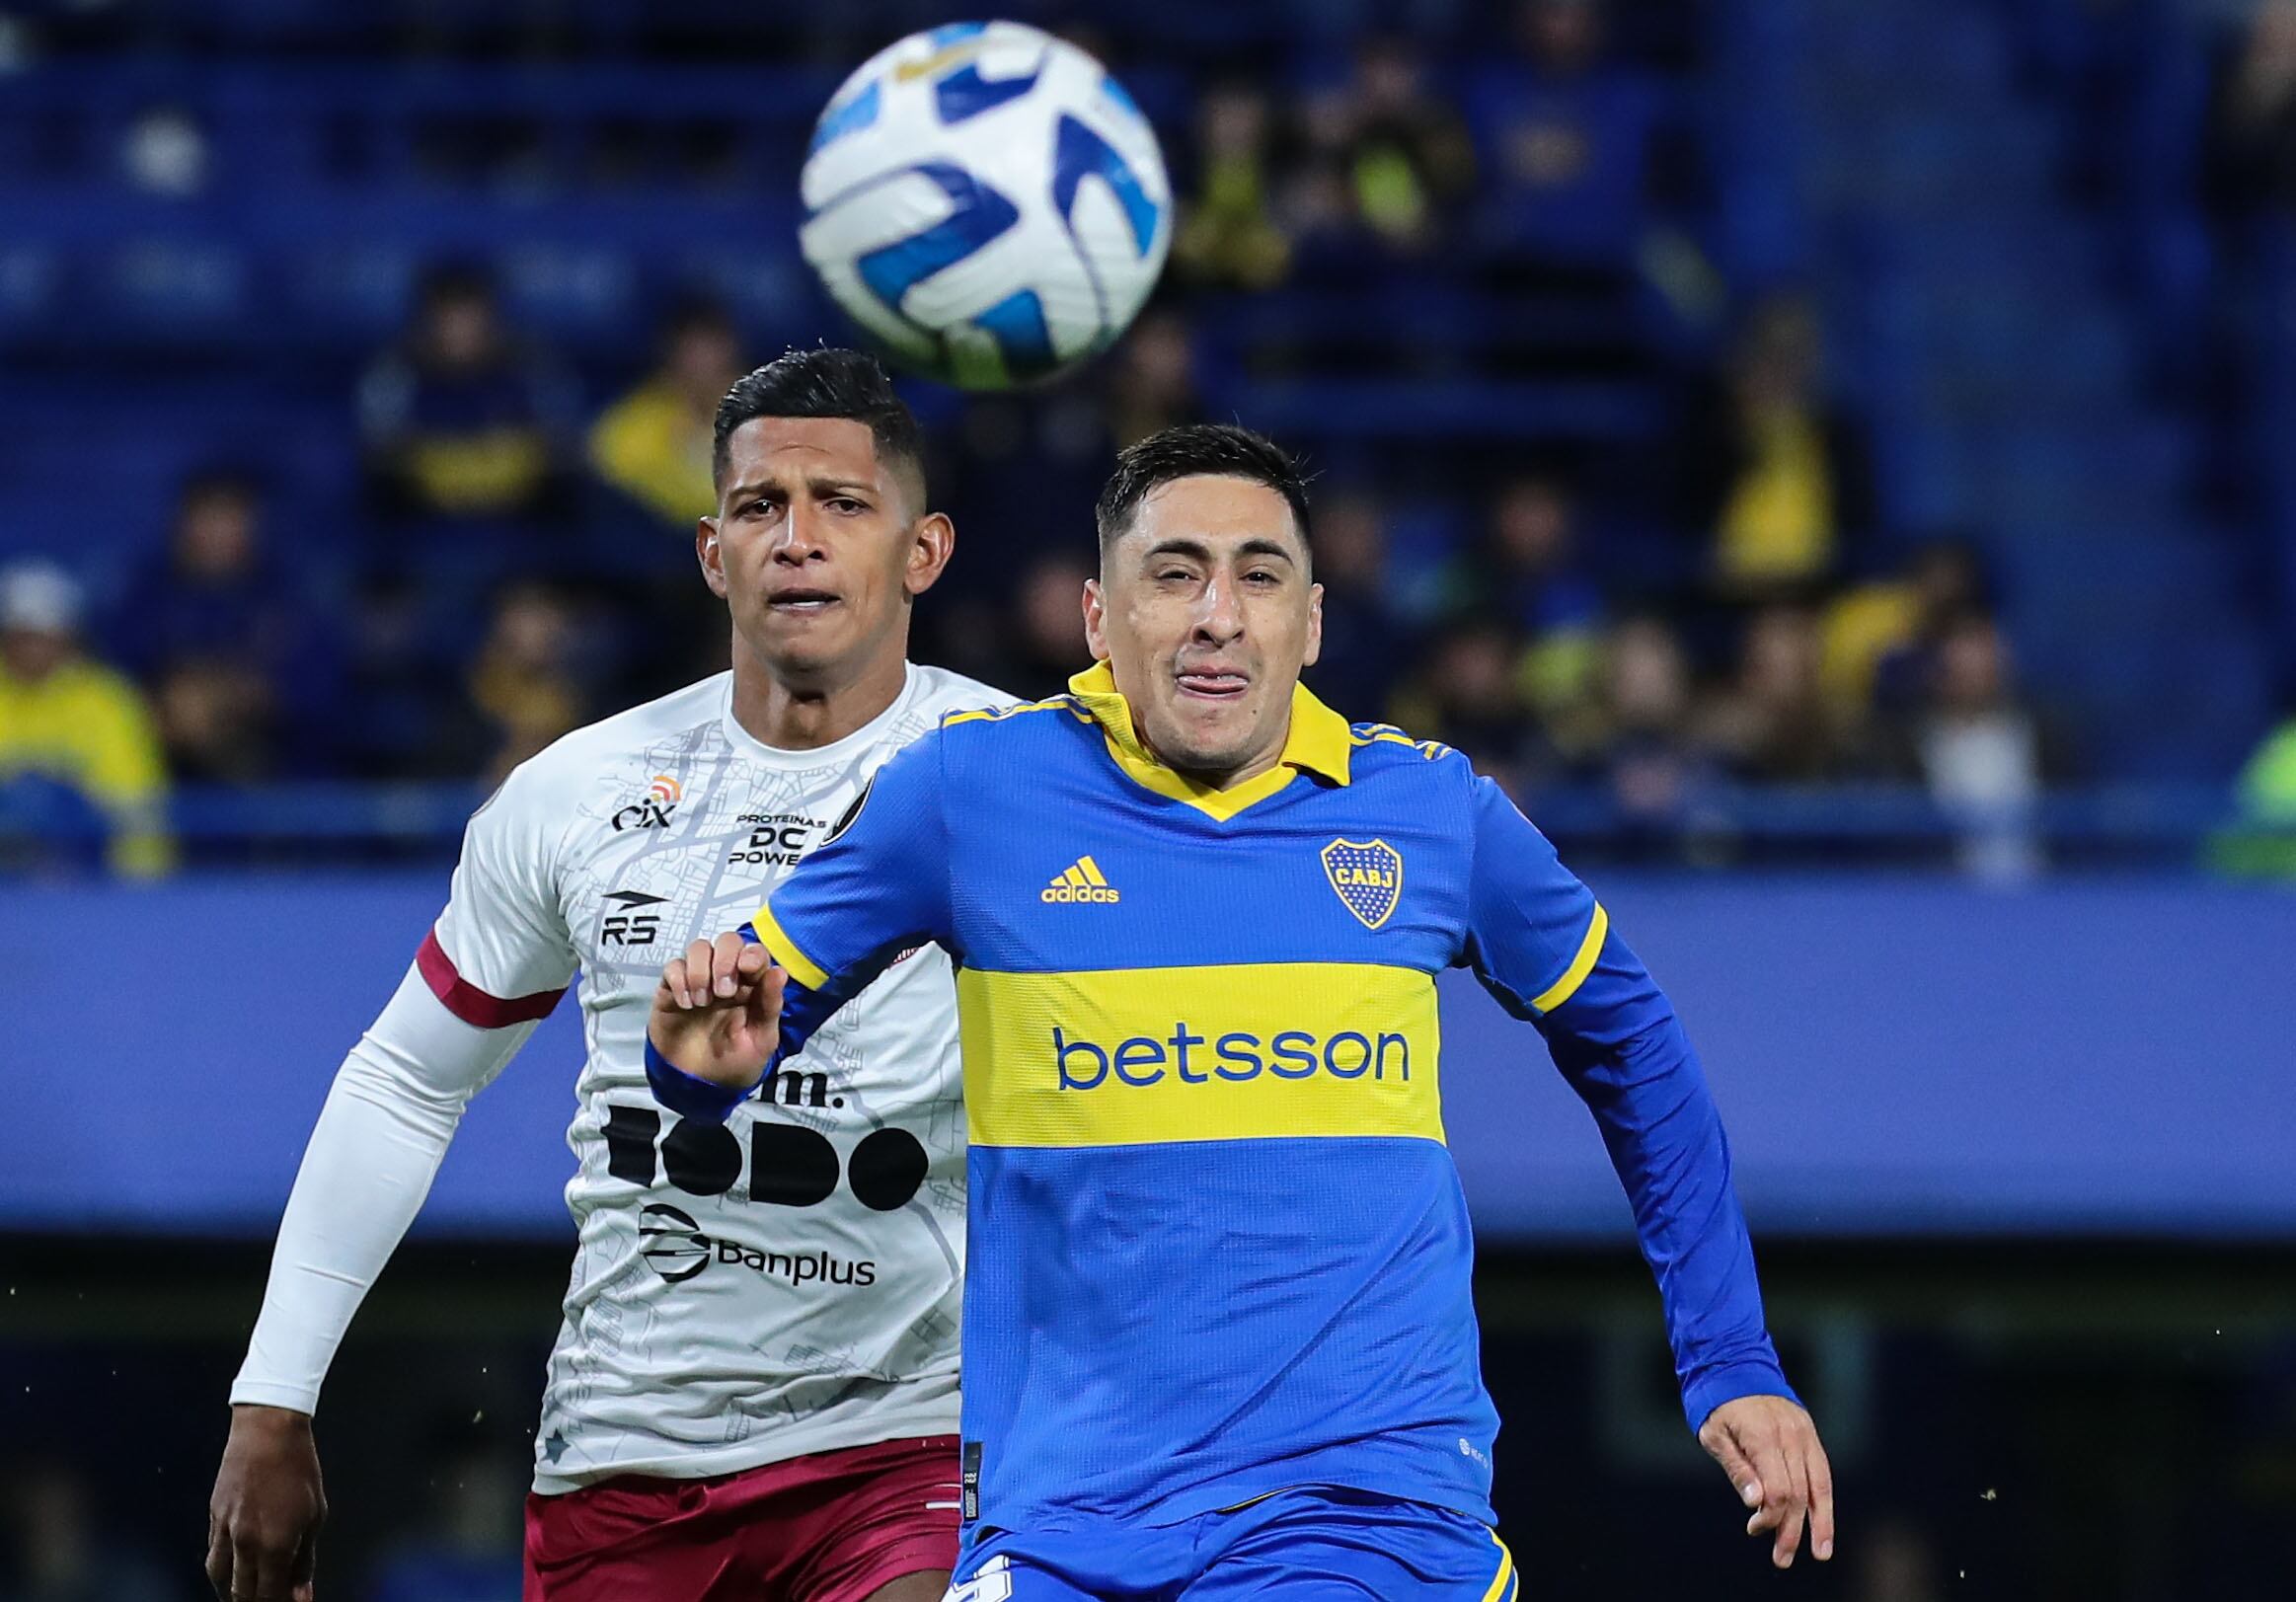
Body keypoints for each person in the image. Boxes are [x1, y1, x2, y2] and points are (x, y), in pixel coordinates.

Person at [646, 423, 1834, 1593]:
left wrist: (1728, 1355)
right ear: (1099, 621)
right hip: (1064, 1523)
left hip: (1369, 1515)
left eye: (1259, 576)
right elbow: (730, 1033)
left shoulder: (1432, 814)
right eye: (1174, 575)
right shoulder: (970, 795)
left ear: (1309, 623)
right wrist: (700, 1061)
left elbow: (1635, 1047)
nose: (1219, 613)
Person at [207, 349, 1009, 1602]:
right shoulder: (577, 792)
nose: (797, 539)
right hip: (624, 1459)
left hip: (909, 1445)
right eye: (760, 507)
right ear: (710, 551)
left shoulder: (1027, 782)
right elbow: (409, 1080)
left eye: (843, 505)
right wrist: (275, 1395)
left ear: (925, 550)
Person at [0, 561, 171, 877]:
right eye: (23, 635)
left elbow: (138, 810)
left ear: (69, 636)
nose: (34, 649)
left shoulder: (108, 700)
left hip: (89, 882)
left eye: (46, 636)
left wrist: (137, 890)